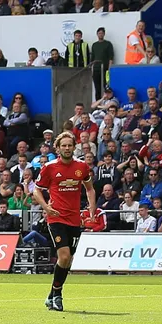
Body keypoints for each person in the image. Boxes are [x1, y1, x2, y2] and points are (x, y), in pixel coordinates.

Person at [32, 132, 96, 312]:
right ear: (58, 148)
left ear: (74, 146)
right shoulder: (50, 167)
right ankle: (58, 296)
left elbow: (89, 189)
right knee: (64, 256)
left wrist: (92, 208)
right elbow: (36, 190)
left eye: (70, 145)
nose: (67, 148)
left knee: (68, 261)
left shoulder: (82, 167)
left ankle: (51, 294)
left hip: (75, 218)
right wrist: (46, 207)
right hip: (56, 217)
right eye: (64, 145)